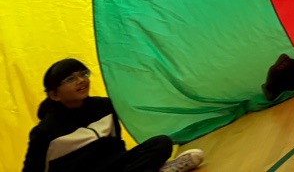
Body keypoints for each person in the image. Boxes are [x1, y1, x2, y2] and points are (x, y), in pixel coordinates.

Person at [22, 58, 204, 172]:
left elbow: (117, 144)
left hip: (115, 165)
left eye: (83, 74)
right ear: (55, 95)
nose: (81, 81)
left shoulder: (104, 106)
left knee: (161, 143)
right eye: (70, 79)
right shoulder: (45, 131)